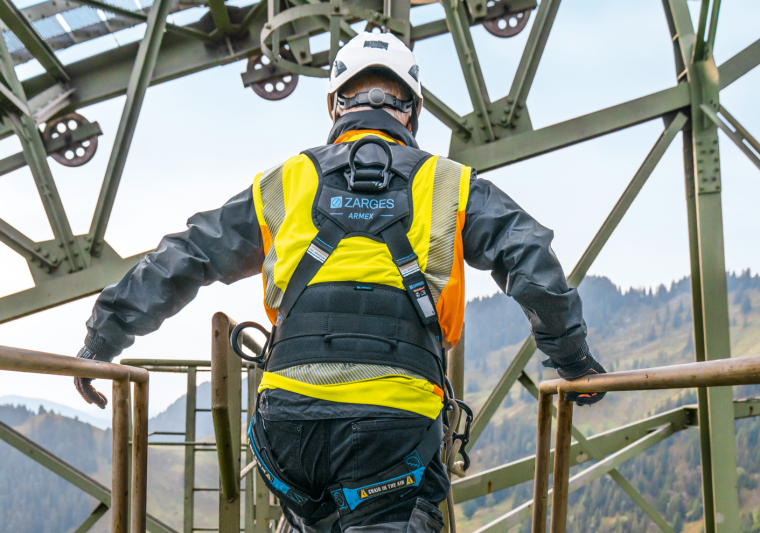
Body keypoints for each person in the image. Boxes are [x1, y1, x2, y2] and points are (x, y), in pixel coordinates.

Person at [73, 31, 606, 533]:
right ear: (413, 111)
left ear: (335, 107)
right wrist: (572, 360)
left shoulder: (285, 182)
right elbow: (529, 256)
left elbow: (187, 253)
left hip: (287, 434)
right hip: (393, 432)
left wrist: (104, 336)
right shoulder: (452, 184)